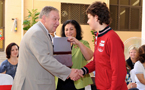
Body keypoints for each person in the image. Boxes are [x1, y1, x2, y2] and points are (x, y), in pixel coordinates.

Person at [11, 6, 82, 90]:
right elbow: (45, 59)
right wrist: (69, 72)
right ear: (44, 18)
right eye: (54, 19)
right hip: (32, 85)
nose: (58, 23)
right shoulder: (37, 33)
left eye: (58, 20)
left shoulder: (42, 32)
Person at [76, 1, 127, 90]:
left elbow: (119, 71)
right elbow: (97, 62)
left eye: (89, 18)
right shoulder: (99, 37)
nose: (88, 22)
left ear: (96, 17)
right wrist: (82, 71)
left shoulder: (112, 38)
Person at [56, 20, 93, 90]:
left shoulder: (83, 43)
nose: (68, 32)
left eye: (71, 29)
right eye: (66, 29)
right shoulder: (60, 43)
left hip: (77, 81)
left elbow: (89, 57)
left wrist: (78, 43)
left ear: (77, 30)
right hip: (61, 80)